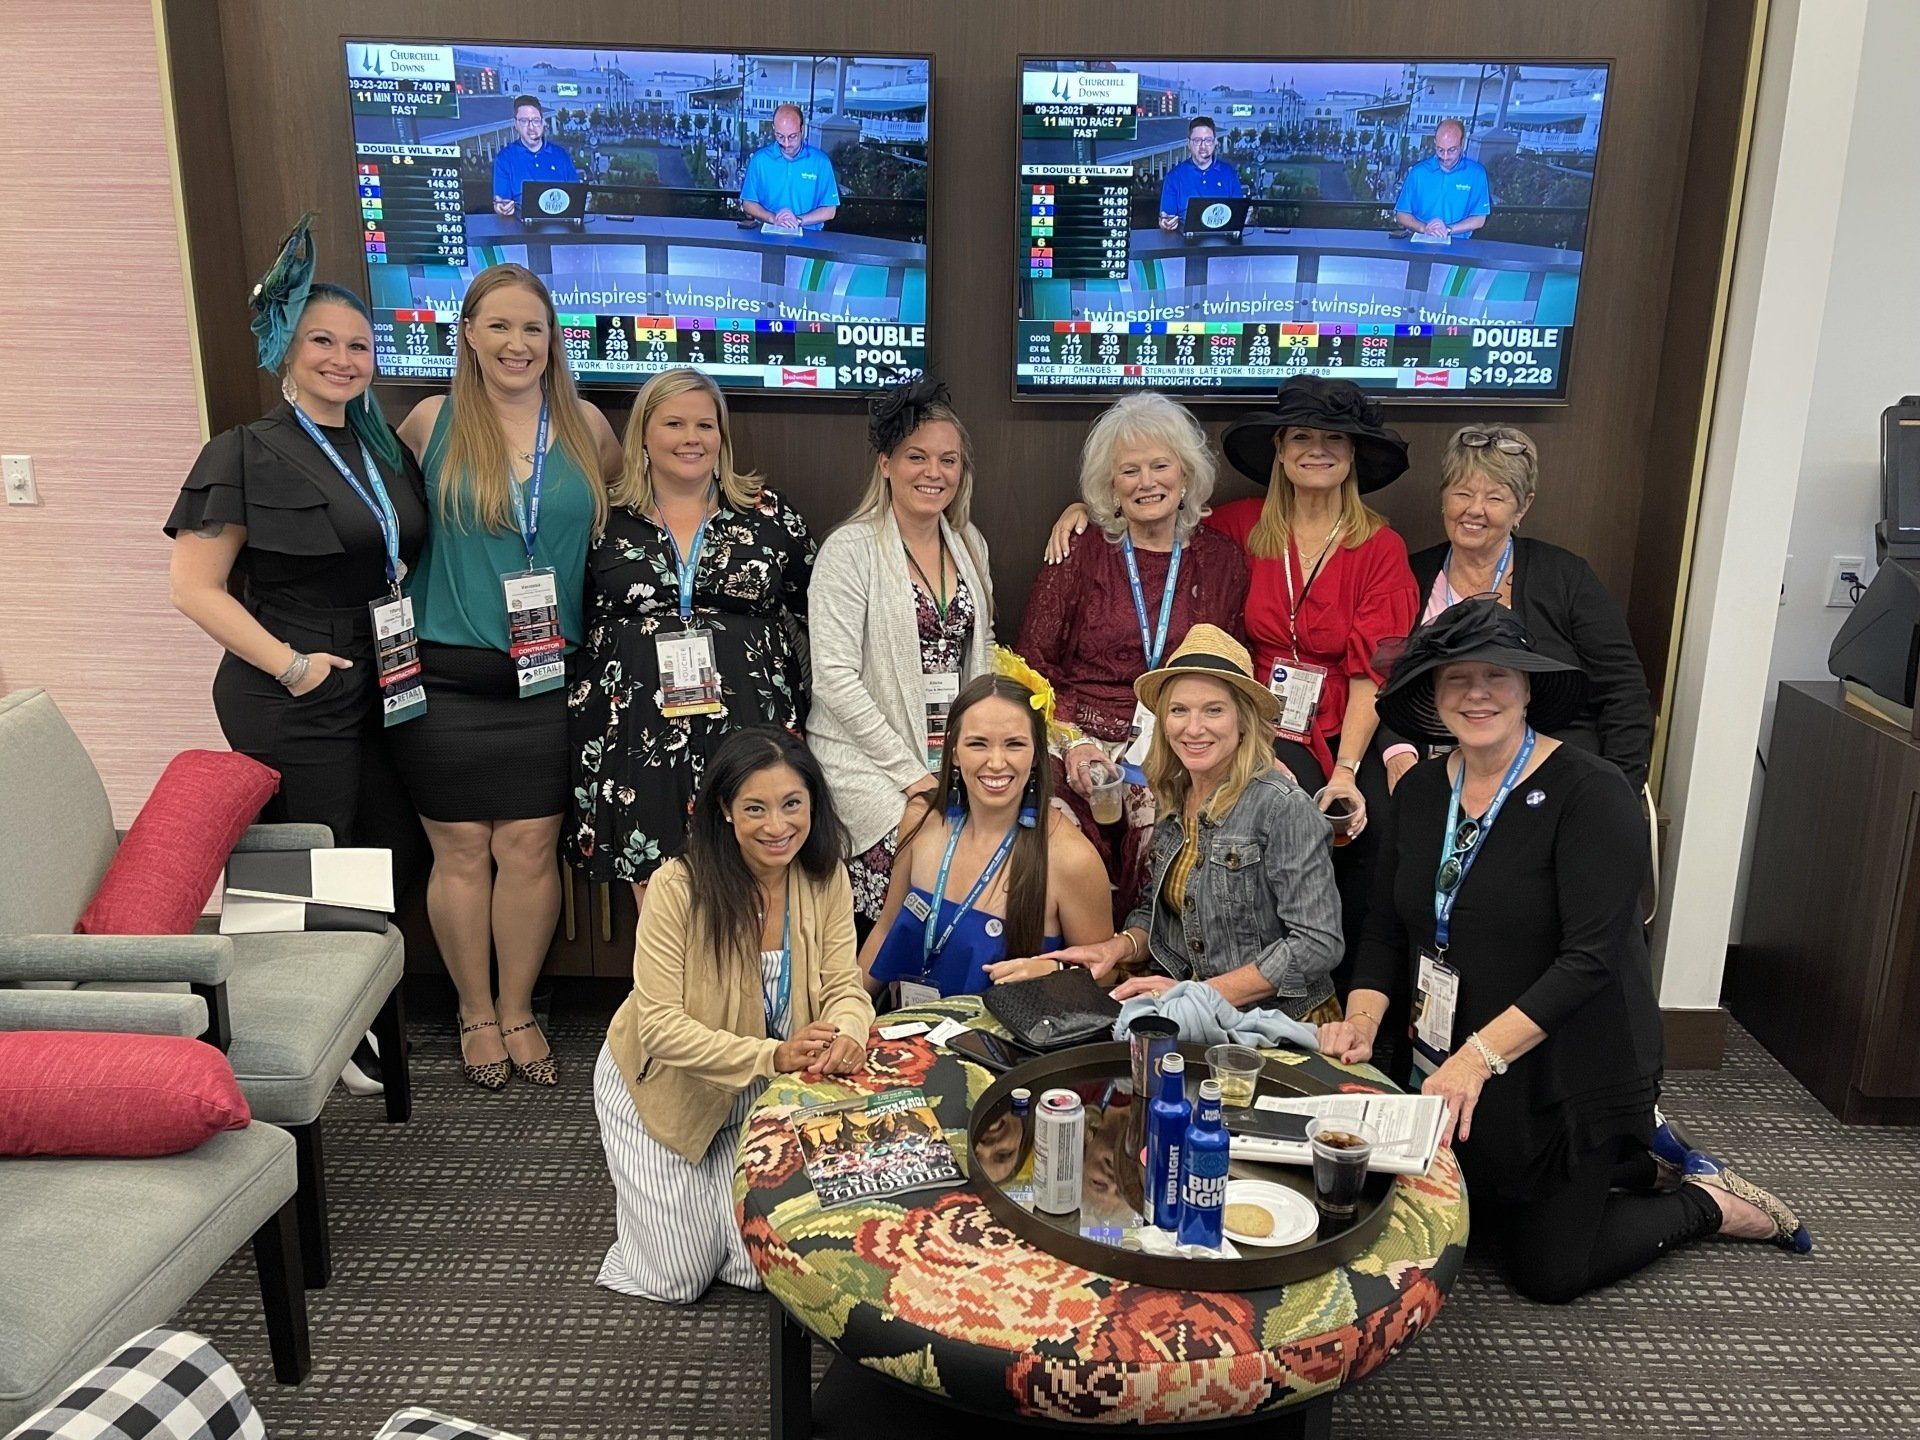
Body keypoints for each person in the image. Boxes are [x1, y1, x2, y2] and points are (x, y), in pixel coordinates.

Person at [1321, 601, 1809, 1305]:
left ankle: (1704, 1202)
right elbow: (1386, 930)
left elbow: (1590, 961)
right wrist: (1363, 1019)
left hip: (1568, 1059)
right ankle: (1636, 1168)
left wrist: (1475, 1059)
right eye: (1458, 678)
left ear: (1527, 690)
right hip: (1452, 1047)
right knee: (1439, 1218)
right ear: (1434, 694)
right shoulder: (1424, 791)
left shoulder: (1591, 792)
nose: (1478, 693)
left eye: (1498, 676)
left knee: (1546, 1272)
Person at [166, 217, 426, 1098]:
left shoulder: (379, 445)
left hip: (375, 674)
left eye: (358, 343)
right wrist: (290, 665)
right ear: (285, 343)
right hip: (290, 685)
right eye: (323, 340)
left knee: (381, 846)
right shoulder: (243, 449)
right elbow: (193, 587)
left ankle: (352, 1018)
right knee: (308, 858)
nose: (344, 359)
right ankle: (293, 1035)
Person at [393, 263, 621, 1090]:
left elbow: (632, 521)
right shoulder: (427, 424)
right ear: (467, 335)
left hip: (545, 678)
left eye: (532, 328)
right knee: (458, 852)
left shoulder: (588, 426)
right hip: (445, 676)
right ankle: (472, 1011)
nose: (516, 344)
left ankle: (519, 1006)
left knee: (529, 849)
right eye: (498, 326)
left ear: (552, 337)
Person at [593, 727, 874, 1303]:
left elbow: (846, 984)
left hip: (766, 1085)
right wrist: (773, 1054)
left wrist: (847, 1031)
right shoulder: (678, 886)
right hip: (665, 1086)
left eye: (793, 804)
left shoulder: (825, 876)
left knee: (760, 1269)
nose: (778, 826)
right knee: (678, 1278)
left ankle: (711, 1191)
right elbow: (660, 1029)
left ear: (813, 804)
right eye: (755, 808)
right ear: (724, 810)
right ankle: (658, 1198)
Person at [568, 368, 814, 900]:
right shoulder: (600, 515)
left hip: (750, 724)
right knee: (657, 891)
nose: (691, 438)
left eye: (706, 425)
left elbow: (820, 610)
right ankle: (666, 987)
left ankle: (747, 986)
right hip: (635, 728)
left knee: (753, 876)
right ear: (643, 435)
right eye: (674, 423)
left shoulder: (769, 516)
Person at [1015, 391, 1249, 923]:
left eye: (1161, 465)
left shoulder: (1221, 559)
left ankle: (1152, 965)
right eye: (1130, 471)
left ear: (1185, 476)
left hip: (1179, 736)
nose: (1148, 482)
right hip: (1078, 732)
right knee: (1055, 832)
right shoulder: (1080, 548)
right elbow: (1032, 666)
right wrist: (1072, 745)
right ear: (1111, 487)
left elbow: (1231, 672)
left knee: (1168, 824)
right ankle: (1076, 970)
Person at [1050, 626, 1343, 1021]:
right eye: (1179, 710)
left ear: (1244, 720)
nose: (1193, 727)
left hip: (1279, 1024)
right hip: (1196, 1012)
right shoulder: (1172, 796)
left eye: (1213, 710)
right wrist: (1117, 947)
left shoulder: (1283, 807)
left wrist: (1200, 993)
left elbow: (1317, 944)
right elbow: (1159, 914)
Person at [808, 378, 995, 926]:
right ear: (886, 464)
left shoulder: (970, 543)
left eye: (948, 460)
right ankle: (880, 1000)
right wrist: (914, 777)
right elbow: (834, 681)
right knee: (925, 850)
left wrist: (971, 757)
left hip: (948, 751)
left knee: (994, 847)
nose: (933, 473)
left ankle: (949, 1003)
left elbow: (979, 651)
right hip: (864, 759)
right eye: (917, 457)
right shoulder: (850, 550)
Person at [1397, 423, 1654, 788]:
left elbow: (1623, 690)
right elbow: (1385, 681)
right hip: (1435, 759)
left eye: (1495, 498)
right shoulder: (1411, 573)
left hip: (1549, 762)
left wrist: (1617, 791)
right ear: (1444, 498)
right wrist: (1398, 752)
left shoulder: (1566, 576)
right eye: (1462, 493)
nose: (1475, 510)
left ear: (1523, 506)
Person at [860, 665, 1112, 1000]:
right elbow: (885, 928)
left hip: (1005, 1050)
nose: (996, 762)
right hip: (904, 1041)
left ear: (1037, 754)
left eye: (1014, 744)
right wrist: (839, 1021)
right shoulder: (922, 816)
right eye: (978, 744)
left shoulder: (1071, 859)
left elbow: (1104, 981)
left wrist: (1057, 973)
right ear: (953, 750)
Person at [739, 103, 840, 233]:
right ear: (774, 129)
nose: (786, 144)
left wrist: (798, 220)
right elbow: (748, 203)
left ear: (802, 130)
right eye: (780, 136)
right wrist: (774, 218)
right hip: (766, 237)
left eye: (792, 136)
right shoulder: (759, 160)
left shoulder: (821, 162)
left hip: (809, 239)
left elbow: (830, 210)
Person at [1394, 119, 1491, 240]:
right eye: (1440, 150)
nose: (1445, 157)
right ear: (1435, 143)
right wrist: (1425, 228)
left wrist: (1448, 229)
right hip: (1419, 243)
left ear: (1462, 144)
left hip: (1458, 246)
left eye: (1451, 150)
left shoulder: (1476, 174)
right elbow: (1402, 214)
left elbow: (1479, 219)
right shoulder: (1418, 172)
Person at [492, 96, 581, 218]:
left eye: (535, 120)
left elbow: (575, 197)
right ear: (516, 124)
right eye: (524, 121)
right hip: (521, 231)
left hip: (560, 229)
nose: (531, 127)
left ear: (543, 122)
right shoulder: (504, 159)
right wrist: (501, 208)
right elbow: (501, 202)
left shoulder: (562, 156)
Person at [1158, 116, 1244, 231]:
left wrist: (1244, 217)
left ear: (1215, 142)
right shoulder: (1174, 177)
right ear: (1188, 143)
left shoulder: (1229, 174)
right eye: (1197, 140)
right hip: (1185, 245)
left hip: (1223, 244)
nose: (1203, 146)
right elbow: (1166, 218)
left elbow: (1238, 215)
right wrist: (1165, 223)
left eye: (1208, 140)